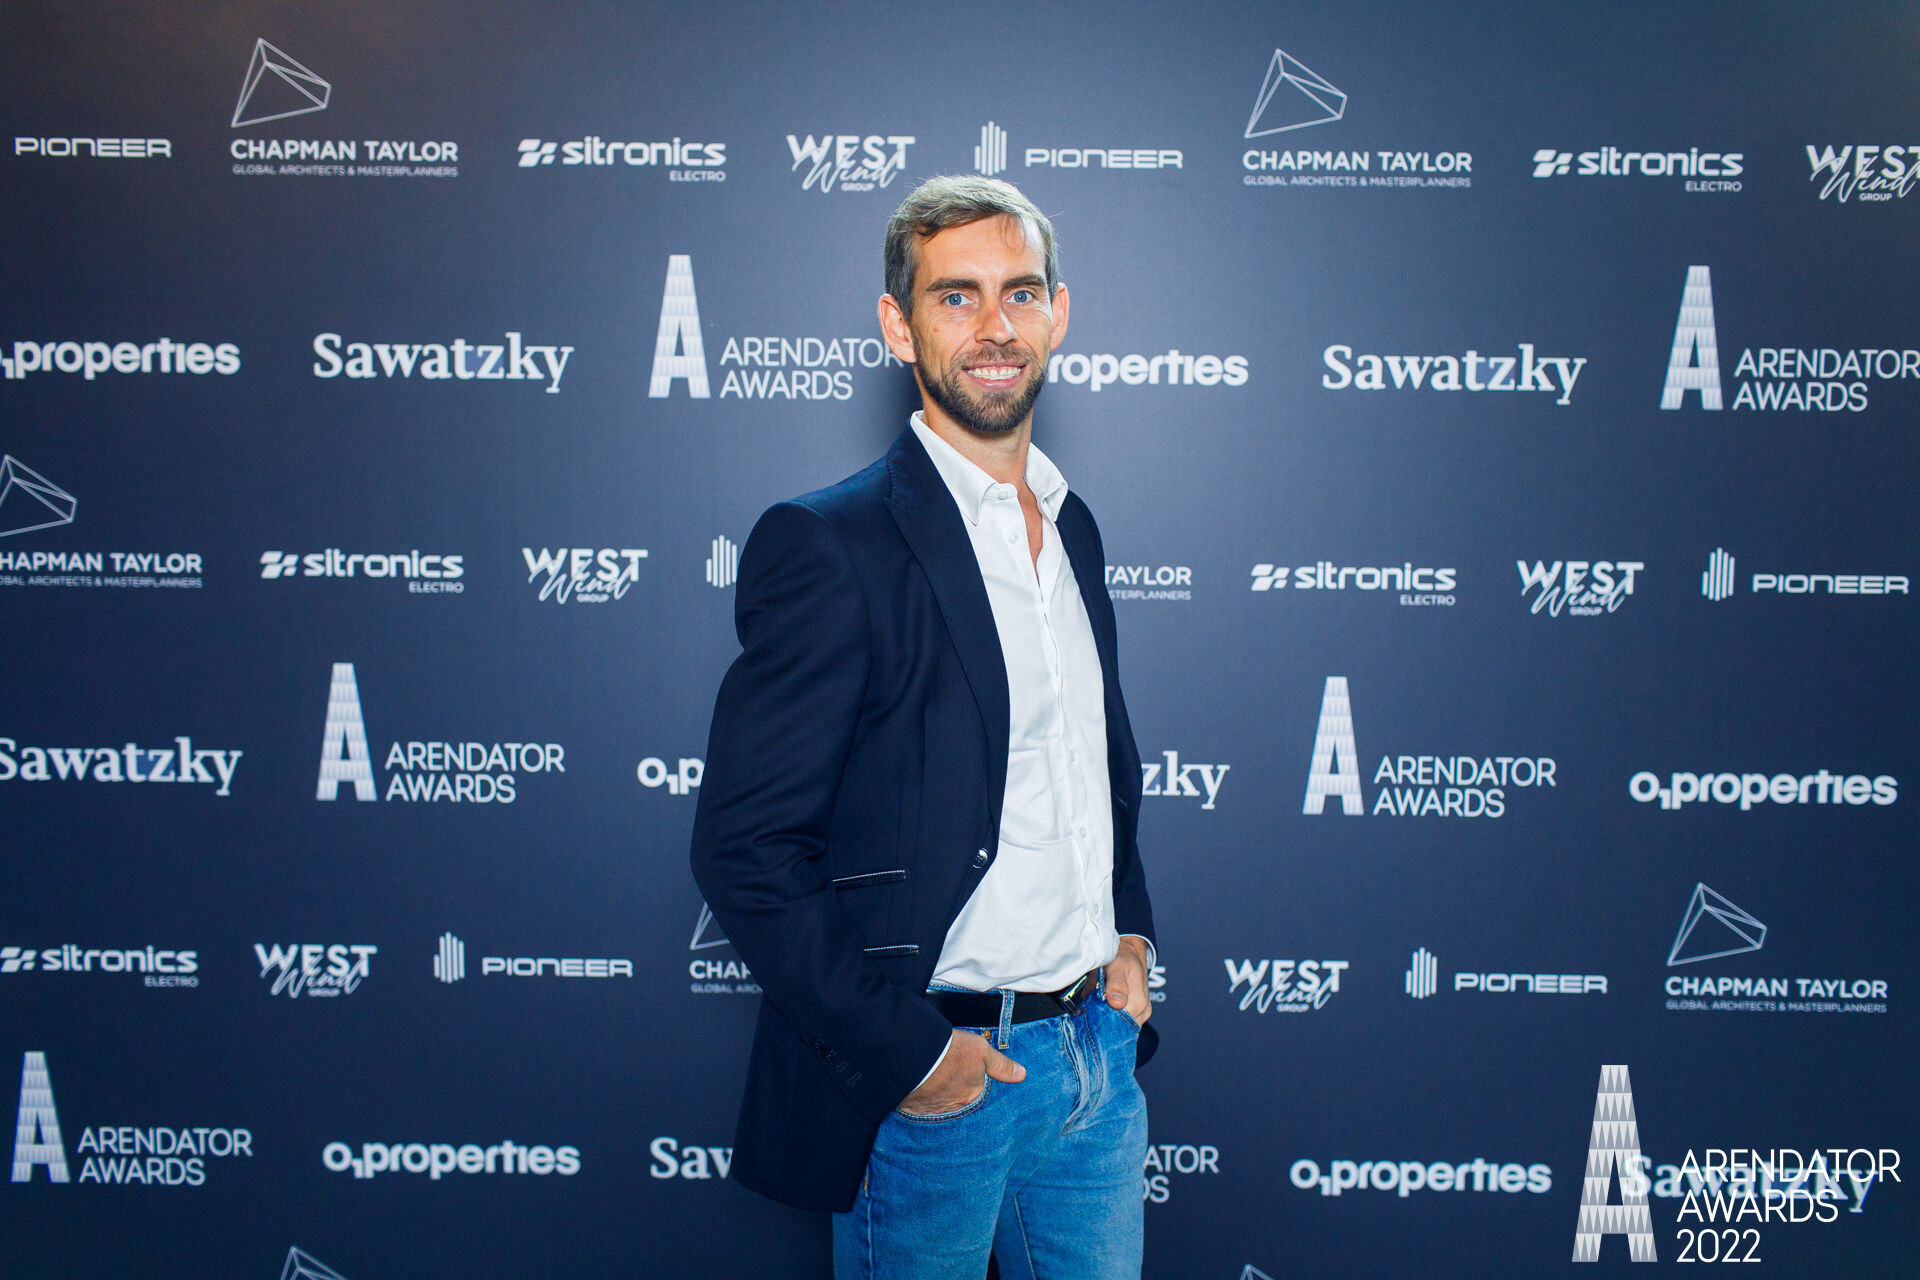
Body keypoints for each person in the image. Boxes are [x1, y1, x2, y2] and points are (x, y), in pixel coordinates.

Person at [690, 174, 1157, 1280]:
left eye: (1020, 292)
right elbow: (744, 849)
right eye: (956, 296)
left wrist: (1131, 937)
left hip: (1094, 1067)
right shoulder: (828, 544)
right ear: (899, 326)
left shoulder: (1073, 525)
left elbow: (1088, 766)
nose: (995, 326)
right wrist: (912, 1056)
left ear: (1058, 314)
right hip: (940, 1083)